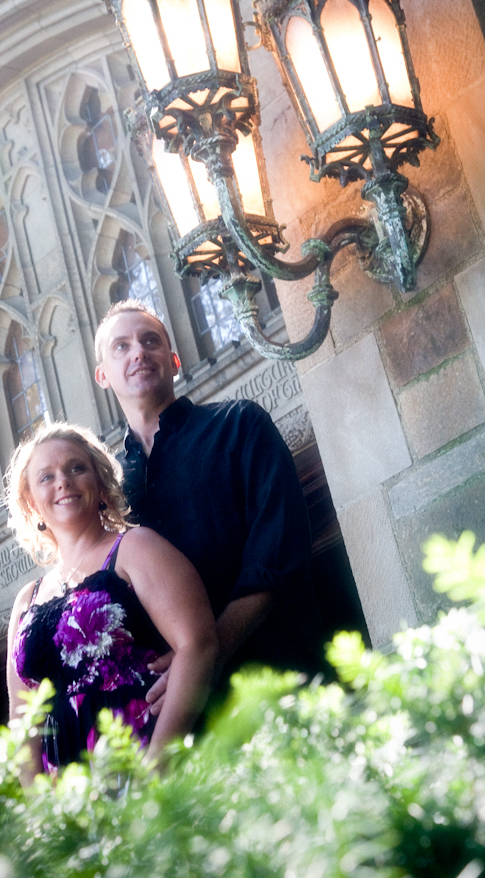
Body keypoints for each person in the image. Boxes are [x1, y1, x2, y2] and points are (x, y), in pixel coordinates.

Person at [94, 299, 324, 711]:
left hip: (277, 680)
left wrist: (206, 654)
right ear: (102, 376)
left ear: (174, 359)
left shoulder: (241, 425)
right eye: (121, 347)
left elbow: (280, 553)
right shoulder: (104, 489)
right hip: (174, 718)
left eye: (151, 341)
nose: (139, 352)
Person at [5, 421, 217, 777]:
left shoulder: (136, 548)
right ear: (31, 503)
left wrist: (157, 766)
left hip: (144, 767)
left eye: (76, 468)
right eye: (46, 476)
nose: (63, 481)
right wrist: (40, 806)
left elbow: (198, 645)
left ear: (100, 483)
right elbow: (21, 715)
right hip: (69, 798)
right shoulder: (28, 599)